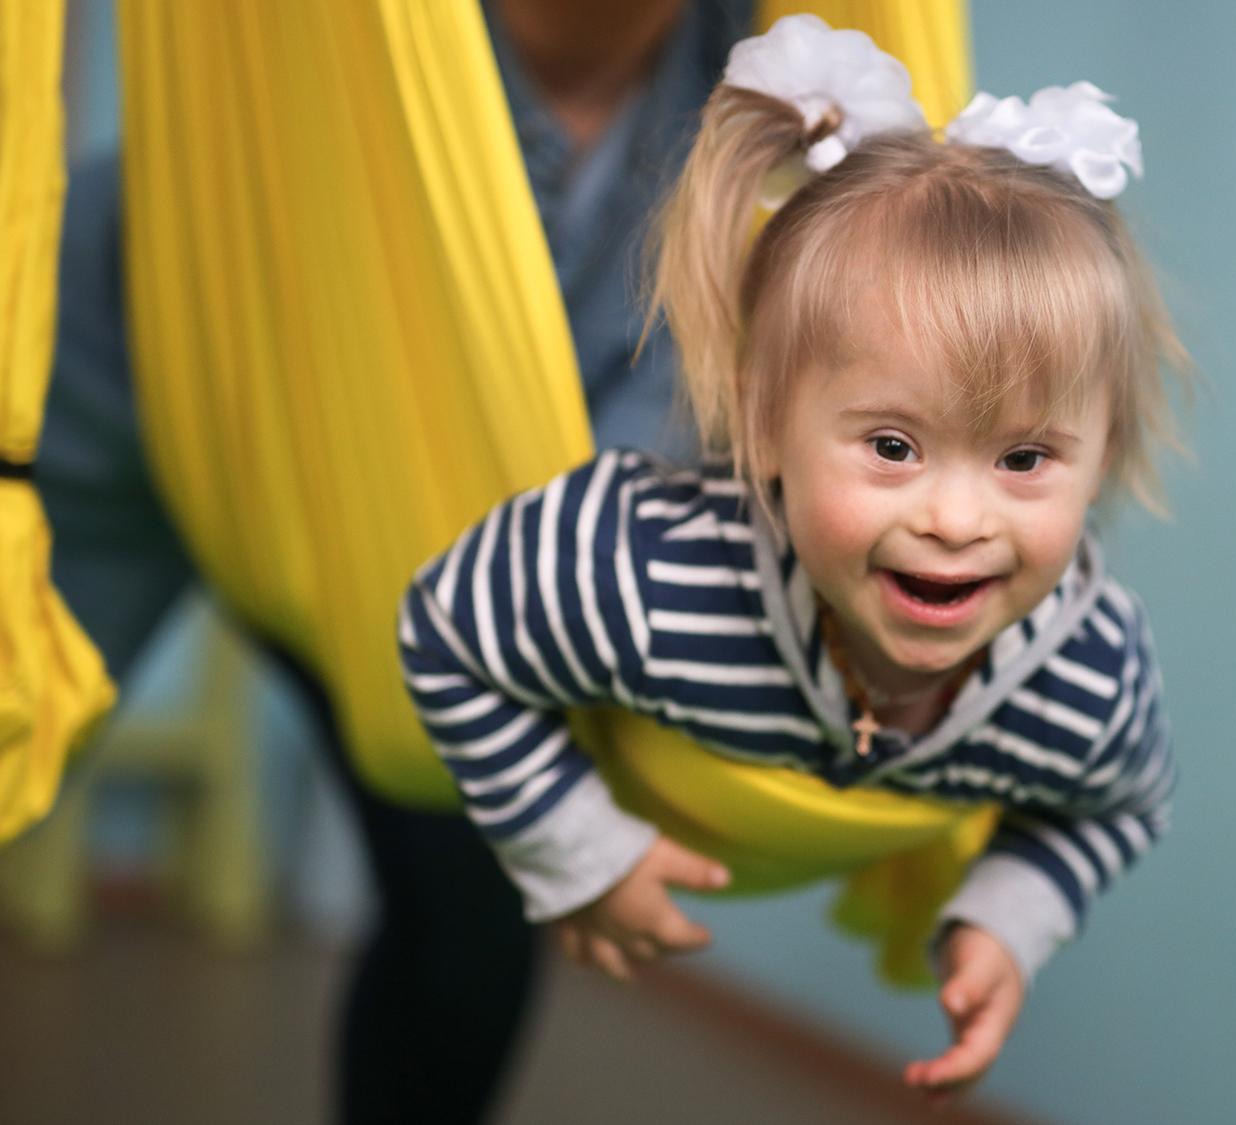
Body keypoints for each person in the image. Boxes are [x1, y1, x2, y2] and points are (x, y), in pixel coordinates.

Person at [398, 15, 1185, 1098]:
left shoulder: (1086, 676)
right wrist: (577, 850)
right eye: (893, 447)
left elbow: (1121, 804)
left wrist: (1009, 920)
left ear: (1096, 464)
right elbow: (443, 629)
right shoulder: (636, 571)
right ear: (764, 427)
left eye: (1023, 458)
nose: (956, 519)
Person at [39, 1, 752, 1121]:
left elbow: (673, 404)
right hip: (144, 366)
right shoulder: (368, 29)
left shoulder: (776, 80)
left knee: (474, 899)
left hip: (424, 523)